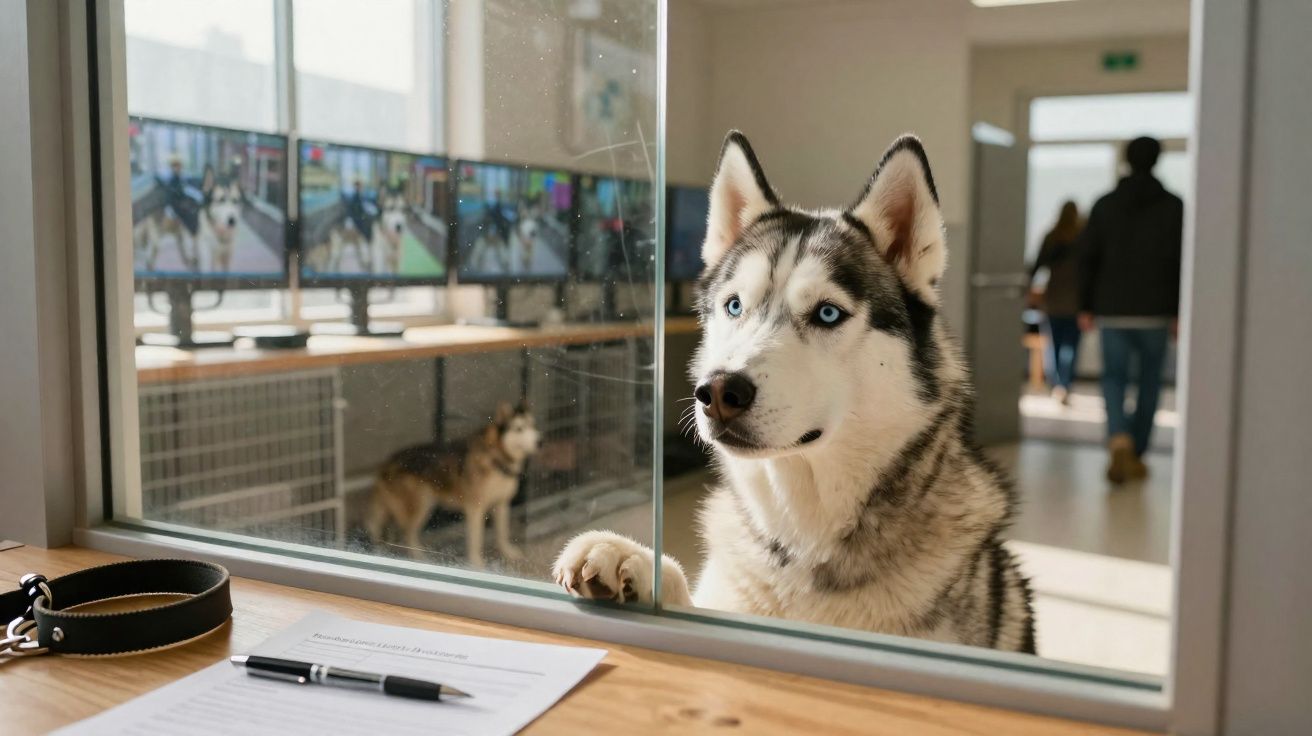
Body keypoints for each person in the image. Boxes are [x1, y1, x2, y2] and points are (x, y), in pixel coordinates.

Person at [1078, 136, 1184, 484]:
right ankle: (1137, 451)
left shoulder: (1105, 204)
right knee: (1150, 381)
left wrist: (1085, 305)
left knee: (1114, 378)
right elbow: (1183, 262)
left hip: (1113, 308)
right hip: (1156, 310)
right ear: (1157, 161)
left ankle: (1118, 438)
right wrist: (1179, 311)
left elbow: (1088, 259)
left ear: (1126, 160)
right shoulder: (1174, 206)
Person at [1029, 200, 1084, 405]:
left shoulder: (1052, 237)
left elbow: (1037, 266)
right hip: (1076, 302)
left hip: (1053, 301)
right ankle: (1065, 385)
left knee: (1054, 346)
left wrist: (1027, 290)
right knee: (1071, 347)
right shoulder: (1082, 239)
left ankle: (1057, 385)